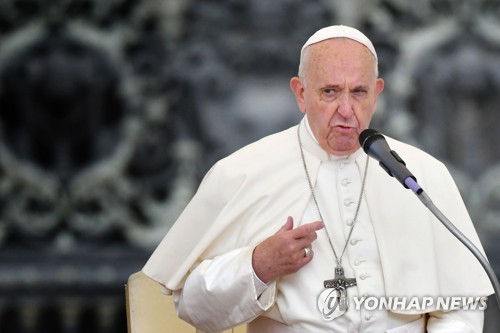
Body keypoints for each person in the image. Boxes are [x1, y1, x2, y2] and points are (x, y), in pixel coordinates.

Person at [143, 25, 493, 332]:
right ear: (300, 93)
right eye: (329, 92)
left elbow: (461, 307)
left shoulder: (422, 174)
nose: (346, 110)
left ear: (378, 92)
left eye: (359, 92)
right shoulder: (241, 172)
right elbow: (193, 308)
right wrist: (257, 265)